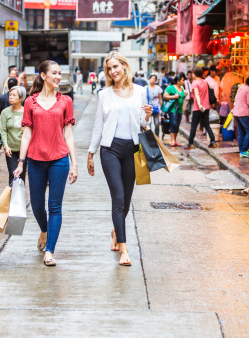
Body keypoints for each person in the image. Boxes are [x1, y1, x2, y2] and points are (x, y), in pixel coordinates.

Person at [87, 51, 153, 266]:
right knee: (117, 197)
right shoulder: (104, 94)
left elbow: (142, 124)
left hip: (133, 149)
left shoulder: (141, 91)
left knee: (126, 199)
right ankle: (124, 249)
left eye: (116, 66)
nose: (112, 71)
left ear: (125, 66)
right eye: (109, 68)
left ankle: (116, 231)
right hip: (110, 149)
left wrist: (148, 116)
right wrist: (91, 152)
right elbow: (99, 124)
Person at [13, 60, 78, 266]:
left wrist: (74, 163)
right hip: (35, 159)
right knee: (37, 206)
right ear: (43, 75)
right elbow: (26, 135)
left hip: (59, 159)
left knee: (55, 207)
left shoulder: (66, 101)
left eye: (60, 73)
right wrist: (20, 162)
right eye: (54, 73)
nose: (58, 77)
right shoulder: (30, 102)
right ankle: (44, 230)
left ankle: (50, 250)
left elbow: (68, 134)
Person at [184, 67, 217, 150]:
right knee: (206, 124)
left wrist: (199, 105)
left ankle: (190, 143)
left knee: (194, 125)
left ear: (194, 74)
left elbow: (197, 94)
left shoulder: (195, 83)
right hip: (206, 106)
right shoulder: (205, 82)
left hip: (198, 107)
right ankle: (213, 141)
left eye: (192, 73)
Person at [0, 86, 27, 185]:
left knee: (22, 174)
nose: (10, 97)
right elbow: (3, 130)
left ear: (21, 98)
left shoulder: (26, 112)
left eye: (14, 95)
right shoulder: (5, 112)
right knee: (13, 174)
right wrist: (5, 146)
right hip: (10, 150)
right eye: (10, 95)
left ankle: (20, 199)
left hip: (24, 150)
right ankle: (12, 199)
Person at [163, 73, 188, 146]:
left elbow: (183, 99)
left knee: (177, 124)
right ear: (178, 81)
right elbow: (165, 96)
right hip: (173, 109)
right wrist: (174, 96)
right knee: (173, 123)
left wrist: (183, 109)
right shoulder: (170, 87)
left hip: (180, 109)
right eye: (182, 80)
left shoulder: (182, 88)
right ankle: (172, 140)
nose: (183, 82)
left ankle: (175, 139)